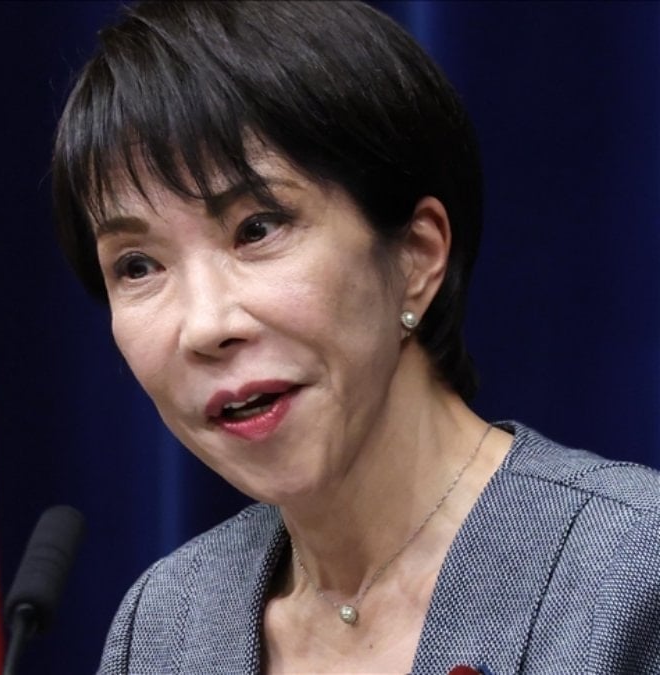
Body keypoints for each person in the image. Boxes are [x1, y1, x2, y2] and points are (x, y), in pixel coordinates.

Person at [50, 2, 660, 673]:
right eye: (137, 266)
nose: (205, 325)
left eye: (257, 229)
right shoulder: (165, 627)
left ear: (416, 257)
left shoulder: (634, 572)